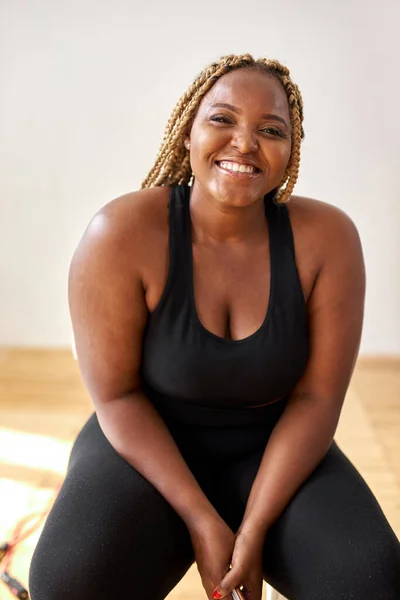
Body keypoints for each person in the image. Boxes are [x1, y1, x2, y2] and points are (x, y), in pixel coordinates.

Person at [29, 54, 400, 600]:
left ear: (290, 151)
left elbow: (317, 400)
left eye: (270, 130)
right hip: (148, 445)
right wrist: (202, 520)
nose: (245, 143)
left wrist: (252, 529)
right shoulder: (121, 232)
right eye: (222, 119)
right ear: (187, 132)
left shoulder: (329, 240)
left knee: (375, 584)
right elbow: (118, 397)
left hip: (277, 450)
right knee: (66, 585)